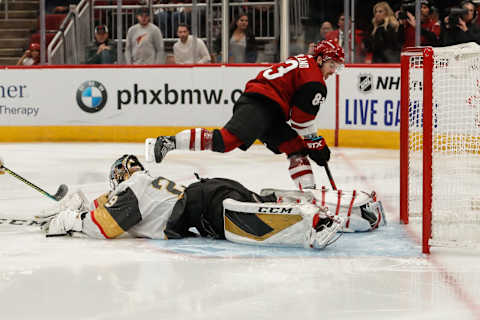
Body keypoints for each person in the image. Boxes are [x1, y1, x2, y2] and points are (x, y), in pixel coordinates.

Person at [38, 154, 385, 249]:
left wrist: (73, 221)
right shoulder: (144, 181)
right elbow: (109, 206)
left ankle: (310, 221)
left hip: (199, 207)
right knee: (261, 198)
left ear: (119, 176)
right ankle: (357, 210)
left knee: (244, 217)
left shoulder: (132, 186)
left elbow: (111, 224)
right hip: (208, 191)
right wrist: (80, 205)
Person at [145, 40, 344, 190]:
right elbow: (301, 120)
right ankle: (166, 143)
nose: (333, 71)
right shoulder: (315, 80)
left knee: (296, 149)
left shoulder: (305, 62)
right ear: (320, 59)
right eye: (332, 65)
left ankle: (309, 197)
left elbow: (299, 118)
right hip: (261, 104)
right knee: (225, 141)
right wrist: (317, 143)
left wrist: (313, 143)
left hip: (270, 107)